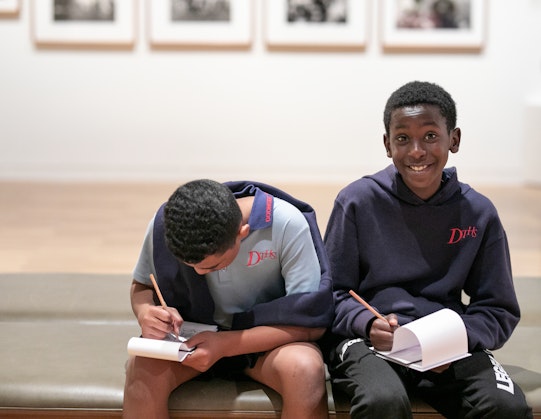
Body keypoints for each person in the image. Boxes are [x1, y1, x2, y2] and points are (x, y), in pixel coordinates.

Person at [323, 81, 532, 418]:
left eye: (431, 136)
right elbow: (329, 293)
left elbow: (498, 308)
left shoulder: (479, 213)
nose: (417, 150)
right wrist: (364, 323)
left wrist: (456, 339)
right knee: (383, 401)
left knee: (505, 407)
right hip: (369, 341)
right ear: (387, 145)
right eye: (403, 138)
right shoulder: (357, 202)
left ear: (455, 139)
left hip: (447, 347)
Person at [123, 179, 334, 419]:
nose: (200, 273)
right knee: (141, 370)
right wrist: (145, 311)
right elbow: (141, 285)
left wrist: (225, 344)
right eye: (190, 266)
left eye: (212, 265)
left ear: (241, 233)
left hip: (266, 344)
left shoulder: (287, 223)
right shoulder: (165, 225)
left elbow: (312, 323)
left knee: (305, 369)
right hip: (191, 343)